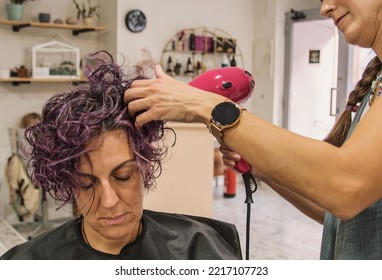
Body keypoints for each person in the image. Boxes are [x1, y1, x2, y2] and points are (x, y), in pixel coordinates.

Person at [124, 0, 382, 259]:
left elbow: (347, 186)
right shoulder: (375, 88)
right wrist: (262, 169)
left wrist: (205, 105)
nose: (326, 8)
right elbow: (340, 211)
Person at [0, 51, 242, 260]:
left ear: (145, 167)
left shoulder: (198, 249)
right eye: (86, 184)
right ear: (68, 184)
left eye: (123, 176)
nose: (108, 201)